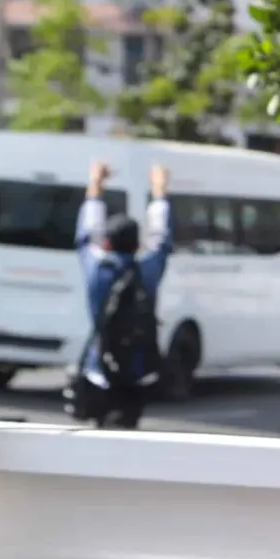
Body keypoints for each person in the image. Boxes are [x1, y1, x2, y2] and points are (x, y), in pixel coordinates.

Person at [68, 161, 173, 429]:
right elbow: (161, 237)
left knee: (98, 435)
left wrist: (95, 184)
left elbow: (85, 234)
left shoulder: (97, 269)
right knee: (128, 435)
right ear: (137, 244)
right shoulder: (147, 270)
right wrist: (159, 190)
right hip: (137, 369)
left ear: (106, 242)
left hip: (99, 366)